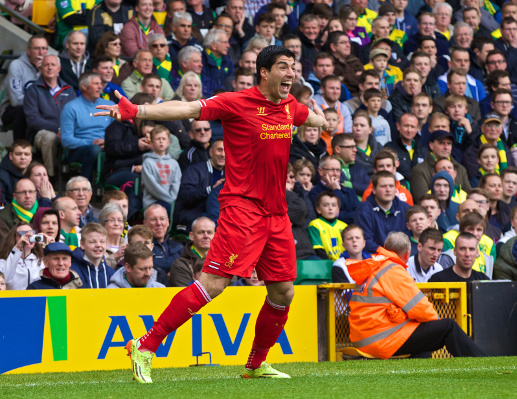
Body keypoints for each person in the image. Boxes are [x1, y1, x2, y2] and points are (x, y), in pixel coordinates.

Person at [95, 45, 328, 382]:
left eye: (293, 67)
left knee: (283, 292)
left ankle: (255, 364)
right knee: (213, 285)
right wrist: (138, 110)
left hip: (276, 212)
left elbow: (312, 118)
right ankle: (144, 345)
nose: (291, 73)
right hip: (242, 208)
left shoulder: (290, 105)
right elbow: (187, 106)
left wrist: (321, 120)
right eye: (283, 66)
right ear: (264, 72)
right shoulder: (237, 102)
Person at [347, 231, 486, 358]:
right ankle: (481, 362)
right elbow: (421, 308)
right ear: (407, 254)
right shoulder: (393, 270)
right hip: (381, 339)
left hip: (365, 337)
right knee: (448, 326)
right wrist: (437, 324)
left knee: (424, 336)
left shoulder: (375, 266)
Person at [23, 54, 76, 177]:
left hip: (66, 130)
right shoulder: (33, 90)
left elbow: (75, 114)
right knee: (50, 137)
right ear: (40, 69)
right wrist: (57, 128)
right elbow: (33, 120)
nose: (49, 68)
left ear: (59, 69)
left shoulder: (69, 89)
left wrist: (65, 129)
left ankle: (73, 175)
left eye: (53, 65)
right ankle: (50, 177)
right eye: (46, 65)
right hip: (41, 133)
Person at [60, 72, 115, 180]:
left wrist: (108, 142)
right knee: (94, 150)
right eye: (96, 84)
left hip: (106, 146)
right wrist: (92, 142)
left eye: (101, 83)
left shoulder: (110, 105)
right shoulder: (71, 107)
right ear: (84, 87)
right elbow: (66, 140)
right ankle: (85, 184)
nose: (100, 86)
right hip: (80, 150)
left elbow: (117, 132)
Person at [0, 35, 48, 140]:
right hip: (11, 110)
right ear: (29, 51)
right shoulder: (16, 65)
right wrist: (43, 103)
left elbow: (54, 96)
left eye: (44, 48)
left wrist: (43, 73)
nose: (41, 52)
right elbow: (16, 101)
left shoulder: (49, 67)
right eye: (37, 48)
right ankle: (20, 148)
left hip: (40, 108)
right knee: (24, 111)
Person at [355, 171, 410, 253]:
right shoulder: (364, 209)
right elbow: (366, 241)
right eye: (383, 186)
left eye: (391, 186)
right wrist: (386, 254)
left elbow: (410, 237)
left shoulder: (405, 208)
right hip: (375, 258)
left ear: (395, 189)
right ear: (374, 190)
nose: (388, 190)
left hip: (401, 256)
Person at [175, 139, 224, 229]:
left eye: (226, 151)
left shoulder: (229, 174)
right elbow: (185, 197)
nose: (223, 154)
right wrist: (210, 189)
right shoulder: (194, 170)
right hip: (192, 220)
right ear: (211, 152)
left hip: (217, 221)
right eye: (219, 150)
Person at [410, 129, 471, 202]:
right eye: (441, 143)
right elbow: (422, 200)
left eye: (449, 144)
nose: (446, 147)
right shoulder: (419, 170)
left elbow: (469, 196)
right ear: (431, 145)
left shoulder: (460, 169)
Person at [141, 125, 181, 213]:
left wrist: (172, 199)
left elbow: (176, 183)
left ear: (169, 142)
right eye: (158, 139)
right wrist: (170, 199)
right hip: (152, 202)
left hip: (171, 200)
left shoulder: (174, 164)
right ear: (151, 143)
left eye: (164, 138)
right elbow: (152, 187)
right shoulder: (148, 162)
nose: (161, 141)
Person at [309, 156, 359, 224]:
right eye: (332, 170)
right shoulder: (314, 192)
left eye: (338, 170)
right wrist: (336, 190)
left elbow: (357, 215)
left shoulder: (350, 191)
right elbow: (327, 217)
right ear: (320, 171)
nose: (335, 174)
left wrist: (338, 215)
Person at [169, 217, 215, 287]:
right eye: (201, 232)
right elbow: (187, 294)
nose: (206, 236)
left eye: (209, 232)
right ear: (192, 236)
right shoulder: (180, 266)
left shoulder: (225, 261)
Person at [0, 222, 44, 290]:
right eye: (22, 234)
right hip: (13, 299)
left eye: (31, 234)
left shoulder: (41, 262)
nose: (27, 237)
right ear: (13, 238)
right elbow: (6, 280)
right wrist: (17, 248)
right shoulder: (2, 262)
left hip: (37, 299)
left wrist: (50, 246)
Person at [71, 223, 116, 289]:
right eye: (92, 242)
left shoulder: (111, 273)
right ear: (82, 244)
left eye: (102, 241)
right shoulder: (72, 271)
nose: (98, 245)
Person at [143, 204, 184, 273]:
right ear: (145, 223)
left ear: (168, 222)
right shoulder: (142, 247)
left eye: (162, 219)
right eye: (153, 219)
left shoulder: (179, 247)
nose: (159, 223)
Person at [308, 192, 347, 261]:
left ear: (338, 209)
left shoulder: (344, 226)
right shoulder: (315, 225)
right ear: (318, 209)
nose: (330, 208)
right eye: (326, 205)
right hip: (326, 263)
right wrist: (330, 263)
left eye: (334, 205)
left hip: (344, 262)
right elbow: (318, 249)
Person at [200, 29, 234, 97]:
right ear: (213, 45)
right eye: (225, 42)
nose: (228, 46)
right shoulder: (200, 60)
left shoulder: (228, 62)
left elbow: (230, 85)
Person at [0, 140, 32, 205]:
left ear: (31, 157)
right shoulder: (1, 176)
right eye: (18, 154)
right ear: (11, 156)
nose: (23, 157)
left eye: (26, 154)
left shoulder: (35, 173)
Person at [98, 203, 127, 269]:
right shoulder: (98, 246)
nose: (116, 224)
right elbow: (96, 268)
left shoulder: (128, 246)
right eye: (112, 220)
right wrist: (114, 256)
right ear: (103, 224)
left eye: (120, 220)